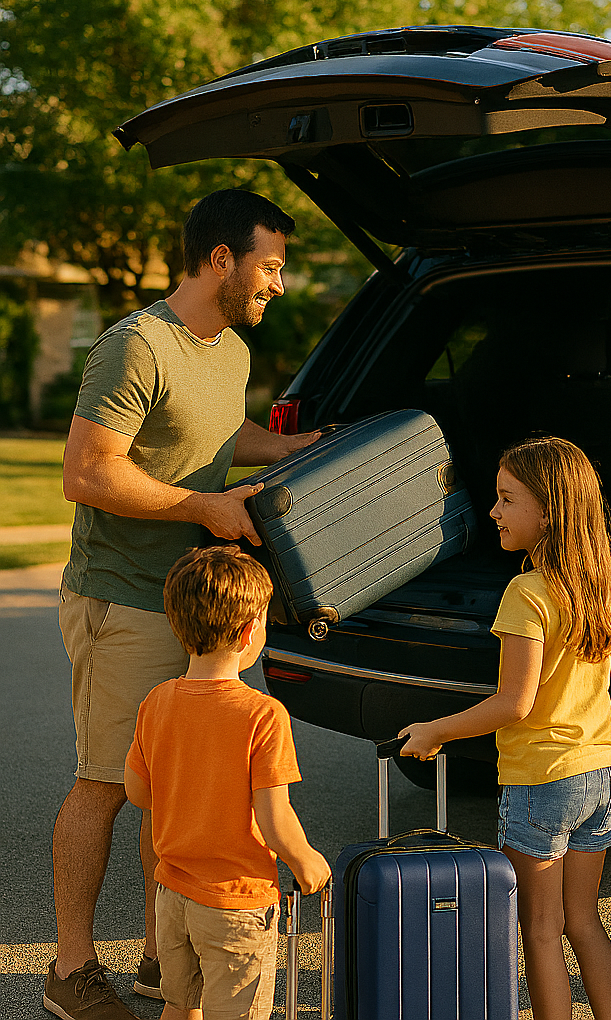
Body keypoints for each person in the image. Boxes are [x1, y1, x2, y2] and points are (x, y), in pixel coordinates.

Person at [47, 189, 319, 1020]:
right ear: (219, 261)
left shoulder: (228, 348)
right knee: (106, 783)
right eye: (268, 267)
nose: (277, 284)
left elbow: (216, 432)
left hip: (186, 605)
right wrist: (202, 508)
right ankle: (69, 971)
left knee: (166, 791)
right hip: (122, 599)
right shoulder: (135, 347)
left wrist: (294, 449)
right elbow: (88, 473)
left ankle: (164, 959)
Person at [399, 437, 611, 1020]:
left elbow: (514, 703)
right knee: (584, 920)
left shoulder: (527, 593)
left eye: (507, 499)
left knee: (538, 929)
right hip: (599, 776)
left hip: (540, 783)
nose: (493, 511)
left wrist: (434, 731)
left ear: (549, 511)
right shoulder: (602, 586)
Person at [124, 545, 332, 1020]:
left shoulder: (158, 701)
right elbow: (274, 820)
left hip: (172, 896)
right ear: (246, 633)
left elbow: (138, 792)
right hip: (237, 904)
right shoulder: (263, 714)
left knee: (180, 1006)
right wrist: (307, 863)